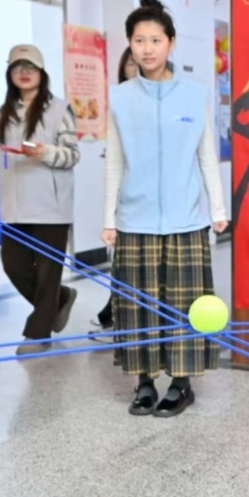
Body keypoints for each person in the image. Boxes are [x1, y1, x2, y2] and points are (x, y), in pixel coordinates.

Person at [103, 0, 227, 417]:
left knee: (183, 306)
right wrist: (108, 219)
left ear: (171, 43)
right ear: (130, 44)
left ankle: (180, 383)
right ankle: (142, 383)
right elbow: (115, 161)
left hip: (185, 221)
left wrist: (217, 210)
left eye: (156, 40)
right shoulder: (120, 97)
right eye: (139, 40)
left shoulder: (193, 95)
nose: (147, 48)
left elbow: (206, 156)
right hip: (134, 220)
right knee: (137, 308)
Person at [0, 44, 80, 356]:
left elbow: (72, 155)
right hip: (14, 205)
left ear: (42, 73)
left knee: (48, 273)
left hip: (51, 206)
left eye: (30, 67)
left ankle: (38, 334)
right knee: (14, 266)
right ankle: (60, 299)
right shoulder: (4, 111)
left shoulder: (60, 109)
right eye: (17, 67)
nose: (24, 72)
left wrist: (44, 152)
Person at [94, 47, 140, 332]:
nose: (136, 68)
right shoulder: (119, 102)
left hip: (152, 197)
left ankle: (117, 314)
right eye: (130, 63)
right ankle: (115, 313)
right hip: (124, 194)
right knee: (121, 258)